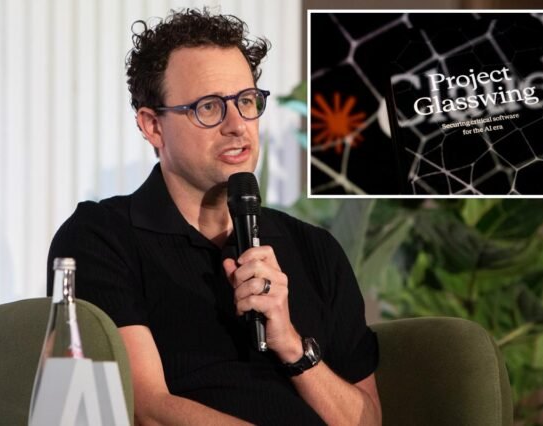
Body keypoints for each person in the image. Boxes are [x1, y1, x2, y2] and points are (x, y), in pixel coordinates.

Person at [48, 8, 382, 425]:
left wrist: (292, 346)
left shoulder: (315, 249)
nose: (237, 126)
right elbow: (147, 409)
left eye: (246, 101)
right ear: (152, 126)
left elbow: (367, 420)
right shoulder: (101, 237)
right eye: (208, 107)